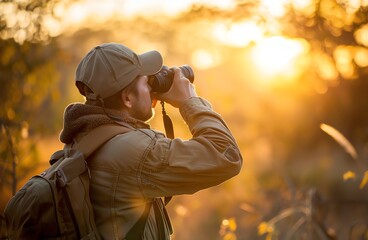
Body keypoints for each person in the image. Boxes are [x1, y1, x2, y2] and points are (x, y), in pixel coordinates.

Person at [59, 42, 243, 239]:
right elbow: (226, 155)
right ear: (127, 98)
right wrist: (189, 101)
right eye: (146, 82)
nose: (152, 87)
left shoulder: (85, 137)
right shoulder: (135, 151)